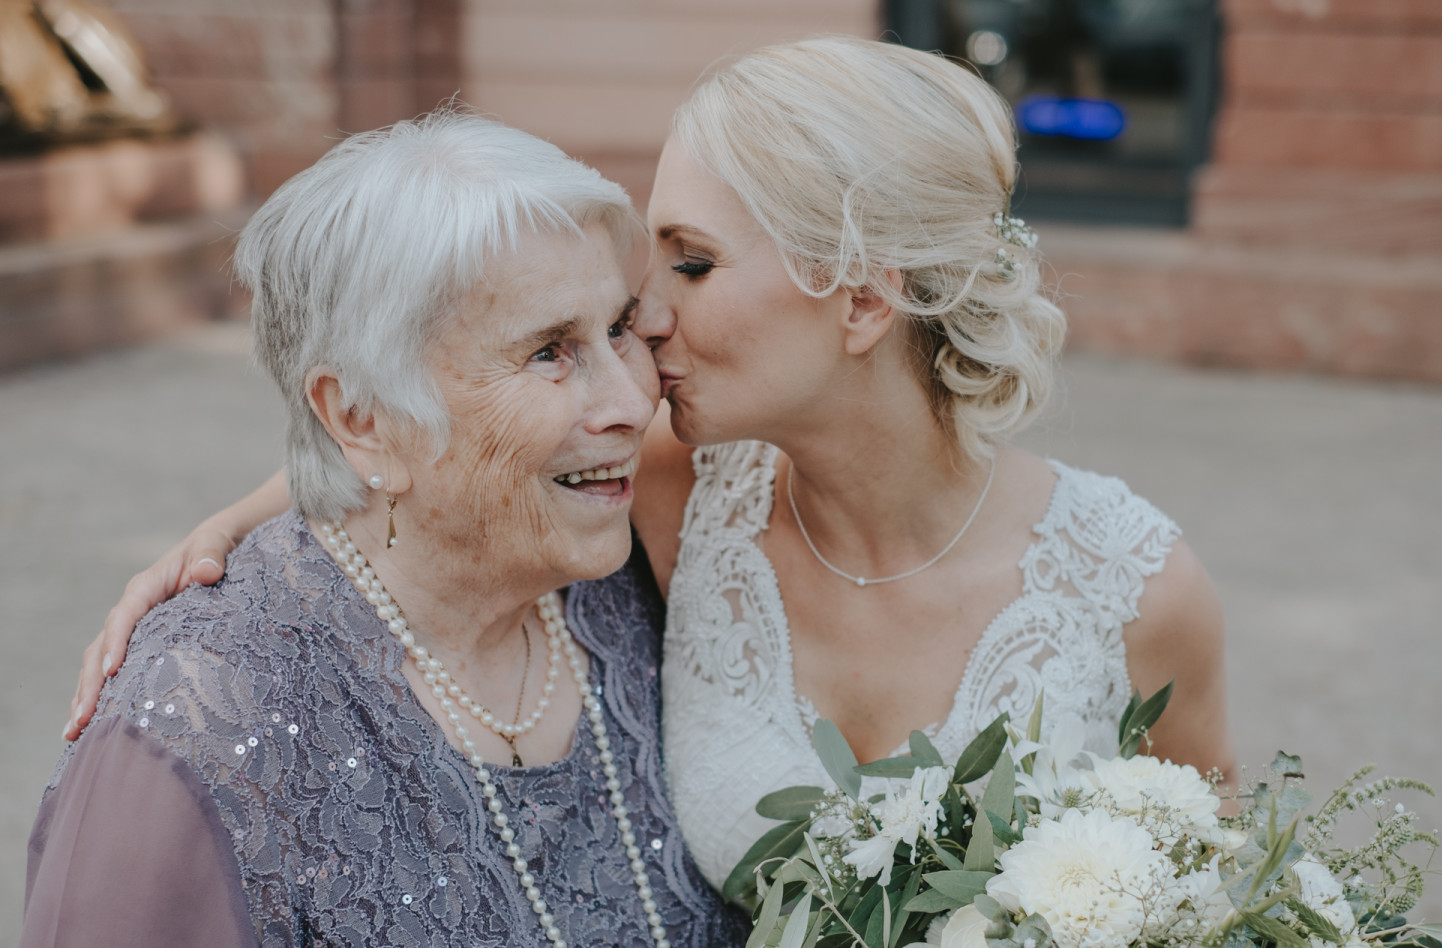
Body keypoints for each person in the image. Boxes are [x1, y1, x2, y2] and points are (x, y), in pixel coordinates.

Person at [66, 38, 1233, 896]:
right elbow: (443, 442)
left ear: (866, 299)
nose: (644, 318)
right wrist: (224, 528)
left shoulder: (1137, 589)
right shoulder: (682, 494)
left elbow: (1216, 911)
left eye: (693, 263)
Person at [15, 112, 743, 948]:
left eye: (620, 328)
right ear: (361, 417)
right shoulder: (206, 729)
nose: (634, 400)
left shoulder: (628, 574)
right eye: (550, 351)